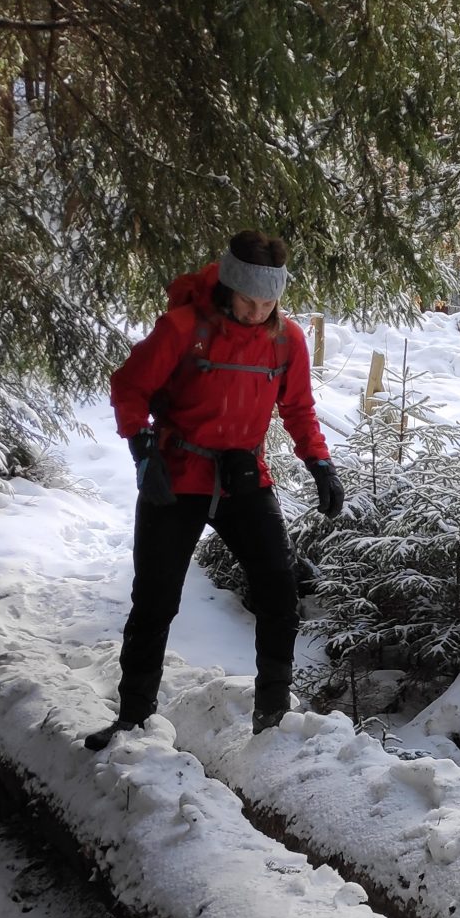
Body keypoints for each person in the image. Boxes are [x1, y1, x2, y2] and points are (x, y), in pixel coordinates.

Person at [85, 231, 345, 750]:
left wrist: (320, 463)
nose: (257, 311)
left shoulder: (285, 340)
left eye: (268, 301)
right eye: (249, 300)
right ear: (228, 287)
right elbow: (129, 387)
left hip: (244, 478)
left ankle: (273, 714)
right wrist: (142, 451)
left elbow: (297, 408)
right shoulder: (183, 329)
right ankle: (133, 718)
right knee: (155, 600)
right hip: (176, 476)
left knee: (278, 589)